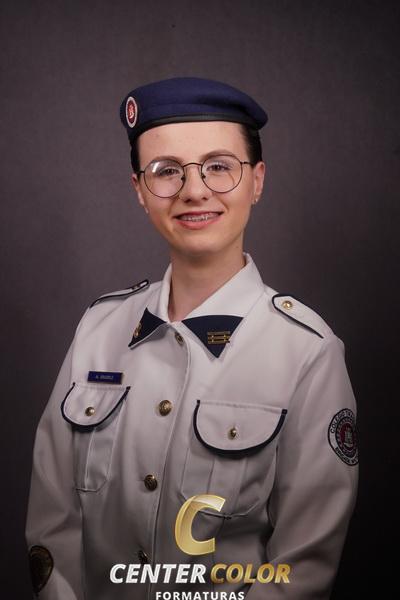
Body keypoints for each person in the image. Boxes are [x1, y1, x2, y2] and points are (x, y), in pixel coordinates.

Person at [26, 77, 358, 600]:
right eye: (166, 171)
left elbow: (301, 572)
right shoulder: (98, 330)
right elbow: (53, 524)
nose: (194, 190)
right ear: (139, 189)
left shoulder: (308, 353)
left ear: (257, 180)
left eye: (219, 166)